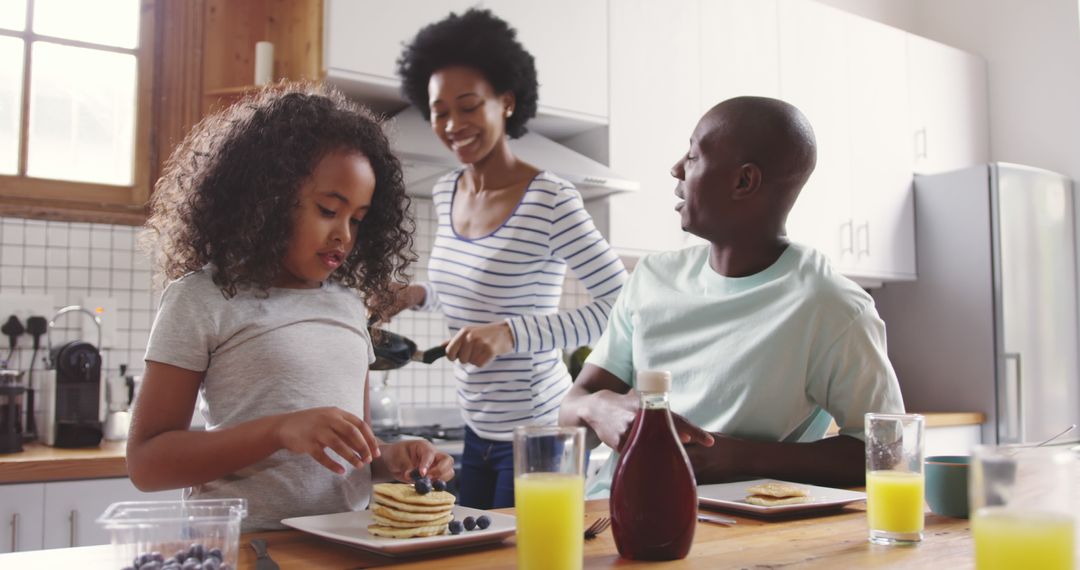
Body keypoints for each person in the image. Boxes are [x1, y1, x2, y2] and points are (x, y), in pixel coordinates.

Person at [127, 83, 454, 531]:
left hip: (347, 546)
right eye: (327, 210)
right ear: (268, 201)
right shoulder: (204, 297)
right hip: (246, 551)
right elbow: (147, 464)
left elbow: (355, 454)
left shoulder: (348, 306)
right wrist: (279, 431)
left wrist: (391, 459)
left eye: (357, 219)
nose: (344, 234)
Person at [558, 96, 905, 497]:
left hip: (732, 532)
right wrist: (601, 408)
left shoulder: (833, 307)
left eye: (692, 156)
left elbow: (889, 453)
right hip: (609, 511)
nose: (675, 169)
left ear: (744, 181)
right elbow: (572, 406)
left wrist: (738, 458)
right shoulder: (651, 278)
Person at [389, 9, 627, 509]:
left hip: (542, 430)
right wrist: (417, 295)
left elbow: (623, 309)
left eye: (469, 106)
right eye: (439, 111)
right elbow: (475, 293)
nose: (453, 125)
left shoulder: (550, 200)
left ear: (507, 102)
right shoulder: (444, 190)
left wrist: (511, 333)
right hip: (475, 427)